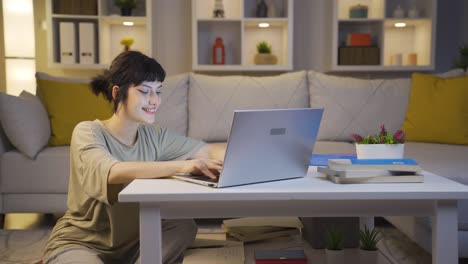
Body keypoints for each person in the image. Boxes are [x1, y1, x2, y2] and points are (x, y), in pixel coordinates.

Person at [43, 51, 224, 264]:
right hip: (82, 242)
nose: (155, 101)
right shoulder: (88, 132)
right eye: (145, 91)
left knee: (182, 225)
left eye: (158, 91)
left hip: (135, 243)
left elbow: (208, 151)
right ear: (117, 93)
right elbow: (113, 172)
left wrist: (252, 153)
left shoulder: (154, 136)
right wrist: (183, 166)